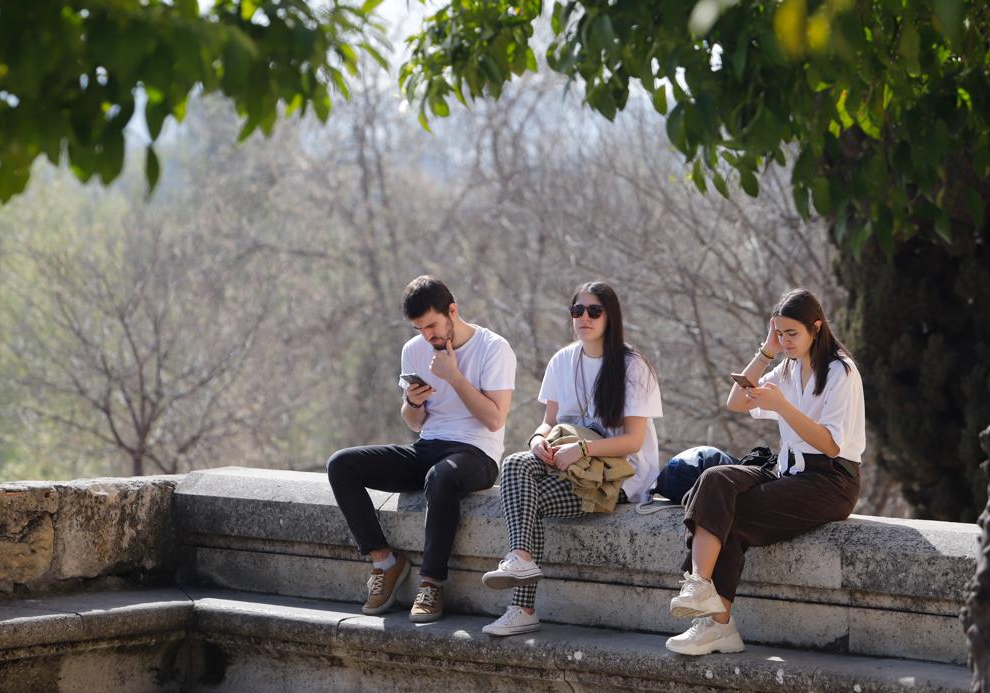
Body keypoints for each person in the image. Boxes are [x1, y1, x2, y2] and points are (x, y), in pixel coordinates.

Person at [664, 288, 865, 656]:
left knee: (732, 516)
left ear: (816, 328)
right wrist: (766, 352)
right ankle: (698, 586)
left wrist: (783, 406)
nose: (786, 341)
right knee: (714, 480)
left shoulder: (840, 371)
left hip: (831, 480)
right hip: (787, 471)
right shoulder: (785, 367)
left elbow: (832, 445)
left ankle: (717, 625)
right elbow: (736, 401)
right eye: (779, 333)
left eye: (792, 333)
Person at [326, 276, 516, 623]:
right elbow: (414, 423)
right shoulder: (413, 350)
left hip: (476, 453)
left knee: (439, 478)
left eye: (431, 325)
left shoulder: (493, 347)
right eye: (419, 328)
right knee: (341, 465)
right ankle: (384, 561)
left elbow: (494, 419)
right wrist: (412, 403)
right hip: (427, 445)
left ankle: (431, 583)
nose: (427, 336)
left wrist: (454, 376)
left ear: (452, 311)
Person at [480, 281, 662, 637]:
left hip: (617, 477)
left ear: (611, 317)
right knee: (516, 463)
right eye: (578, 311)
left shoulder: (632, 366)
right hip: (570, 463)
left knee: (527, 503)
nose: (585, 318)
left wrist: (581, 449)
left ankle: (522, 607)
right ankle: (521, 558)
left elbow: (633, 440)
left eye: (595, 311)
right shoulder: (563, 360)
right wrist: (537, 441)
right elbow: (549, 422)